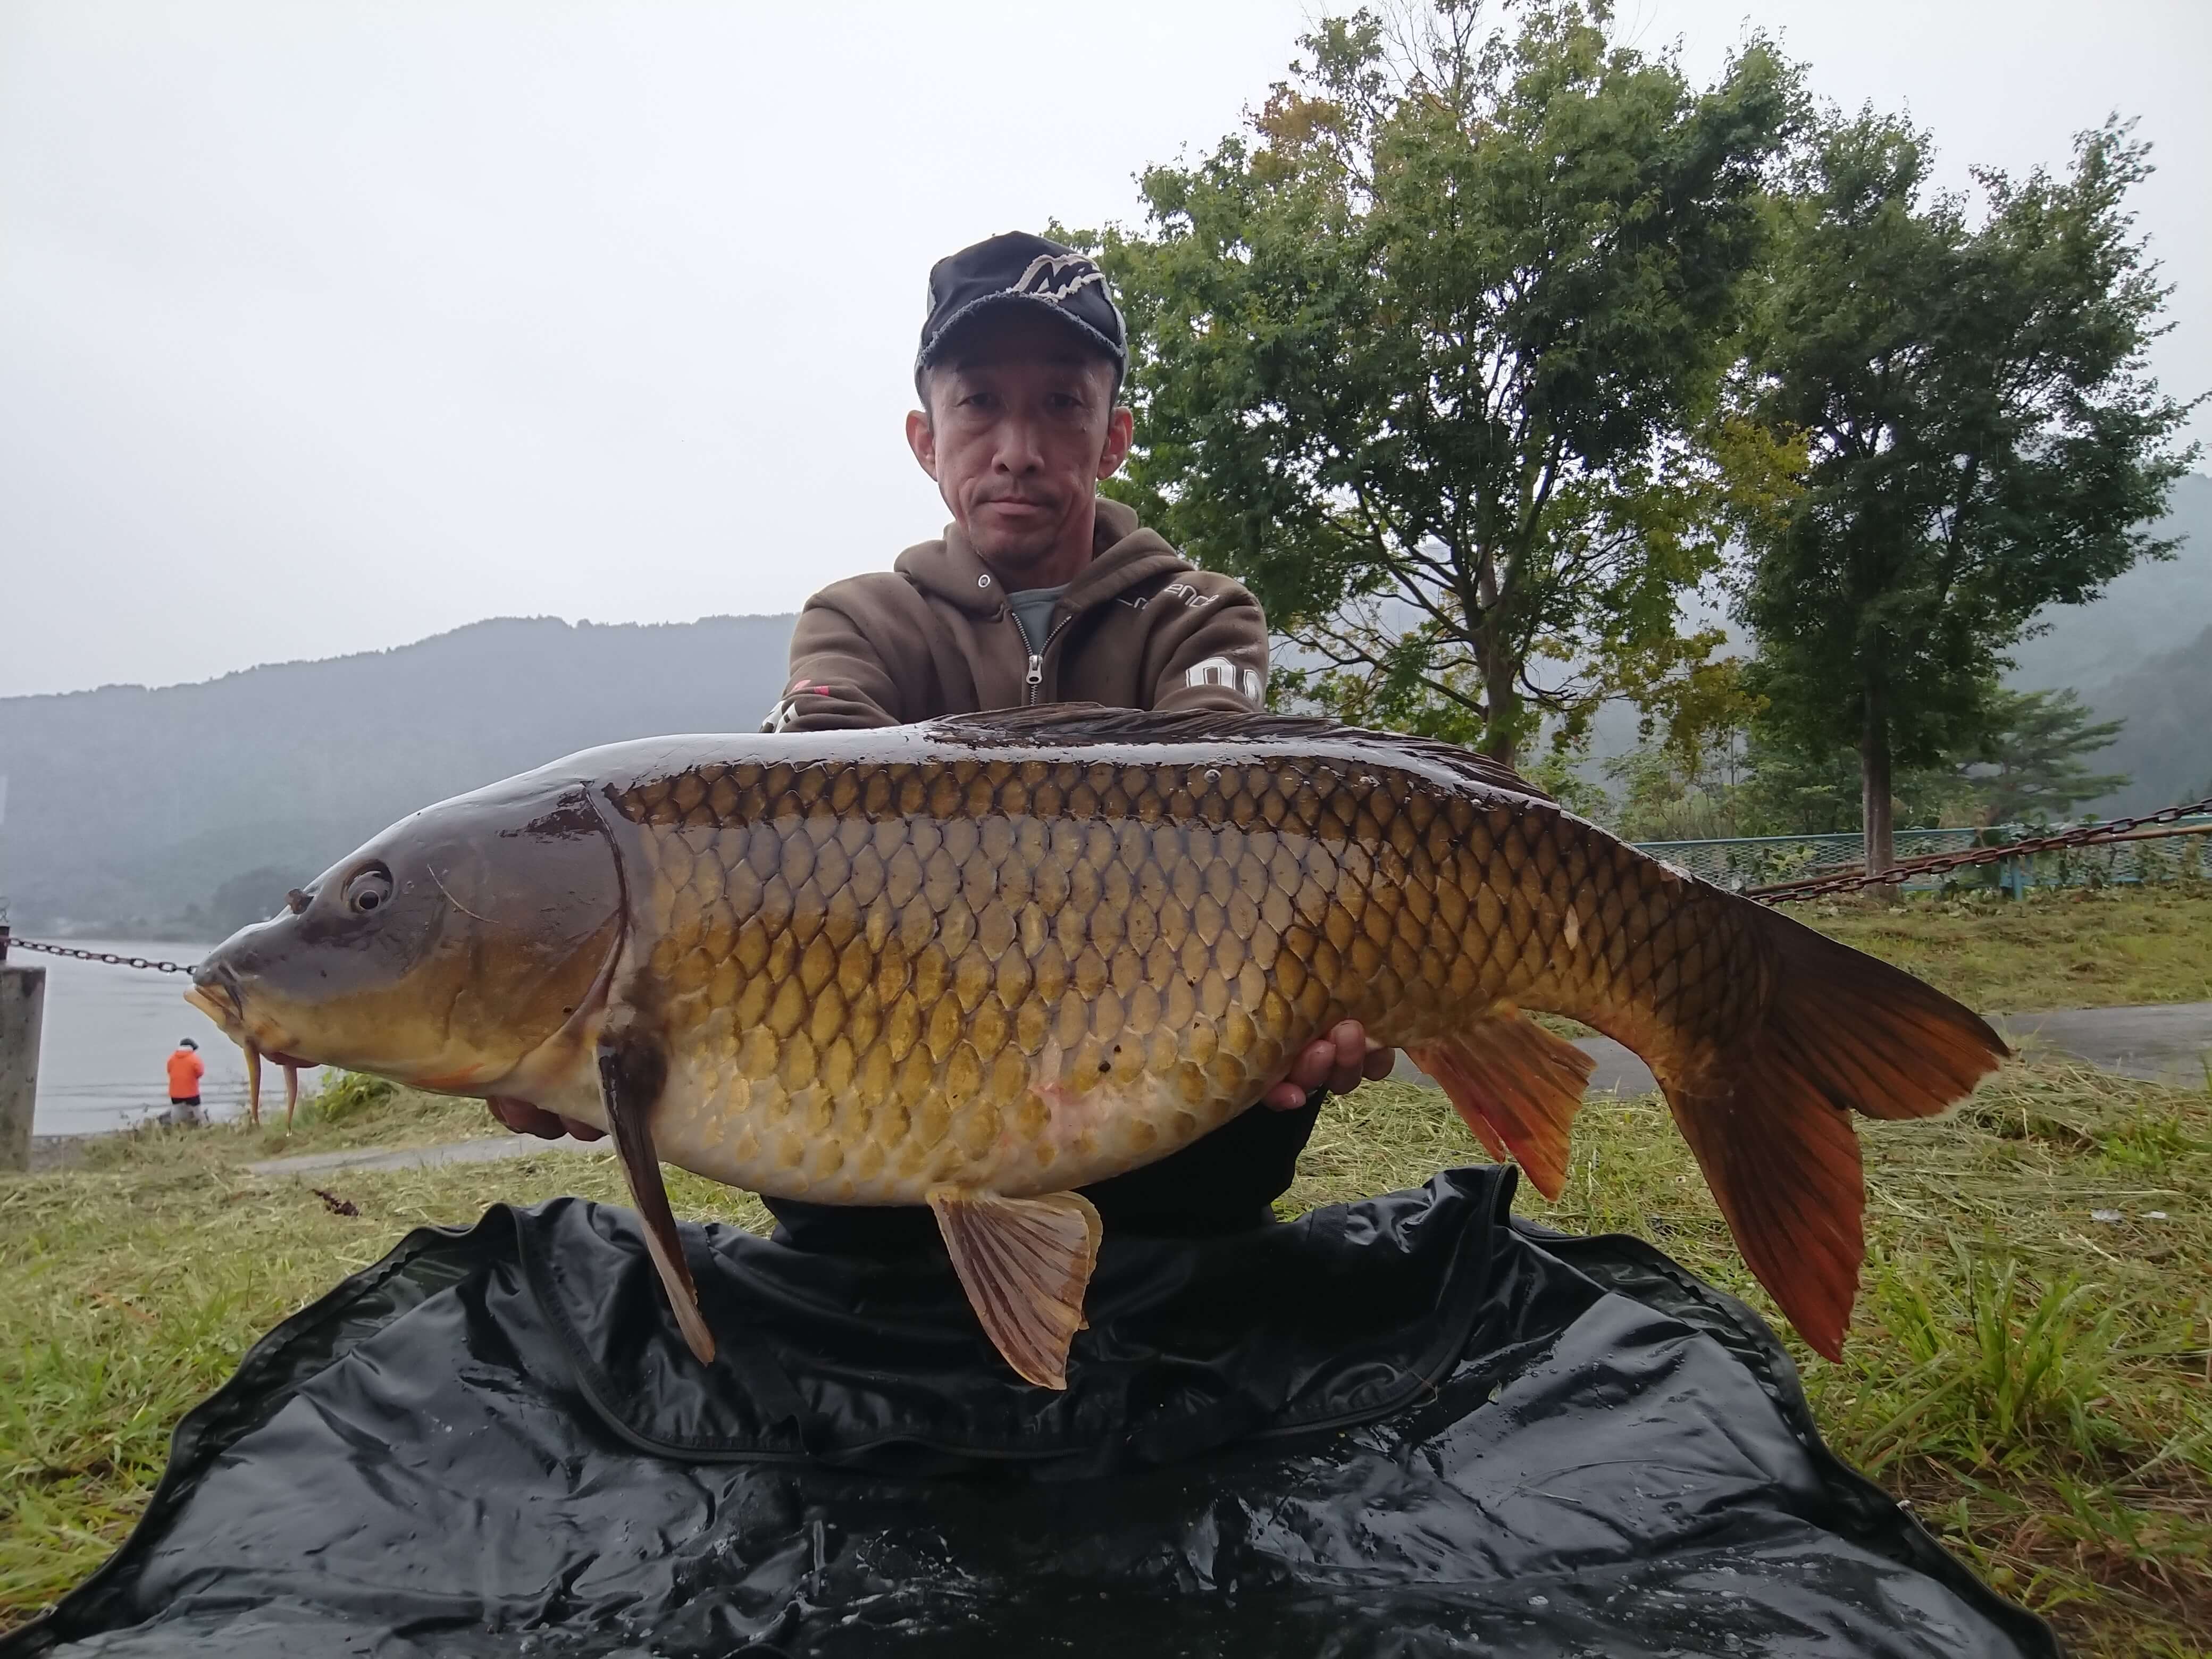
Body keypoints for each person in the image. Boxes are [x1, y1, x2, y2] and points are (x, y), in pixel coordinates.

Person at [490, 231, 1397, 1238]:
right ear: (926, 438)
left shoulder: (1199, 614)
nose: (1018, 447)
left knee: (1280, 1005)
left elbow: (1222, 836)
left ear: (1113, 438)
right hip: (906, 1104)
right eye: (979, 404)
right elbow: (802, 844)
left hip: (1157, 1102)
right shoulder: (860, 621)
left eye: (1061, 404)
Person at [165, 1037, 205, 1127]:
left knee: (176, 1110)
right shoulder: (195, 1059)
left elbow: (169, 1071)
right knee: (197, 1111)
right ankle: (204, 1126)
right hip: (191, 1092)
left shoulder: (172, 1059)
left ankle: (175, 1127)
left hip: (175, 1093)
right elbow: (200, 1073)